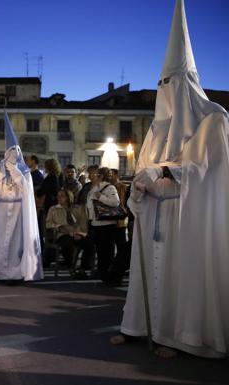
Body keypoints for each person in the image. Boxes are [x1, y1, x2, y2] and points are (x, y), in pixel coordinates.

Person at [113, 0, 229, 359]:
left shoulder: (213, 120)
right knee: (149, 273)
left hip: (187, 215)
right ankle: (141, 327)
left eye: (171, 82)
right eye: (161, 82)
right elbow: (145, 168)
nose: (165, 88)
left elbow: (209, 169)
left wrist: (164, 171)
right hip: (156, 215)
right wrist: (140, 186)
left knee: (181, 276)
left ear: (188, 84)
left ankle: (182, 337)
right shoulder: (155, 129)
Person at [0, 112, 42, 282]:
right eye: (11, 152)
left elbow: (26, 189)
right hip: (1, 211)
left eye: (16, 152)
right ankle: (0, 272)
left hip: (18, 212)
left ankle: (15, 274)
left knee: (16, 246)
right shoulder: (0, 170)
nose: (13, 155)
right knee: (1, 243)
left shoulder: (24, 172)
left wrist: (14, 170)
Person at [45, 189, 94, 278]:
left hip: (77, 233)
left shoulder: (78, 208)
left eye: (62, 196)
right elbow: (48, 223)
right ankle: (71, 268)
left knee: (89, 242)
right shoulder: (53, 209)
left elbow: (83, 224)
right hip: (63, 234)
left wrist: (80, 233)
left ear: (68, 197)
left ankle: (82, 268)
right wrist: (58, 227)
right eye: (58, 196)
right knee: (67, 243)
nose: (59, 198)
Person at [86, 167, 119, 282]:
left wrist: (101, 197)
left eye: (95, 174)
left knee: (107, 251)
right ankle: (101, 271)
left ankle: (107, 274)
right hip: (95, 223)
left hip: (106, 224)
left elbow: (115, 202)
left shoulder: (109, 187)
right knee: (100, 250)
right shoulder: (94, 188)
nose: (92, 176)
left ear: (101, 176)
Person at [106, 168, 130, 286]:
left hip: (120, 220)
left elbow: (123, 203)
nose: (110, 177)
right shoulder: (109, 187)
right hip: (111, 220)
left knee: (122, 246)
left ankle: (116, 272)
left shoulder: (122, 187)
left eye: (111, 174)